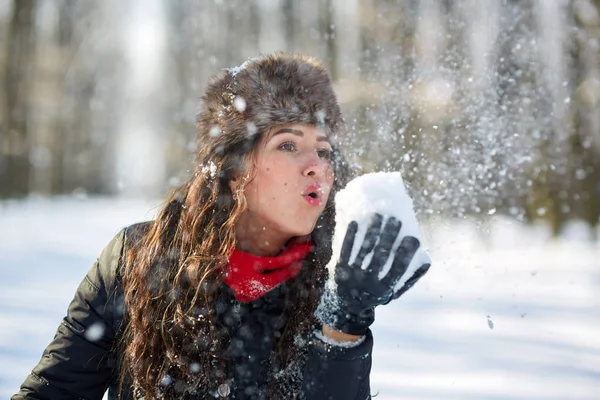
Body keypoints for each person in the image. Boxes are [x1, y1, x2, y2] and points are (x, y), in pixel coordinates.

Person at [12, 53, 431, 400]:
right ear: (234, 169)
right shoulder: (138, 260)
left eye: (324, 151)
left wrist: (343, 328)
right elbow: (52, 393)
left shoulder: (330, 283)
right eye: (288, 144)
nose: (317, 167)